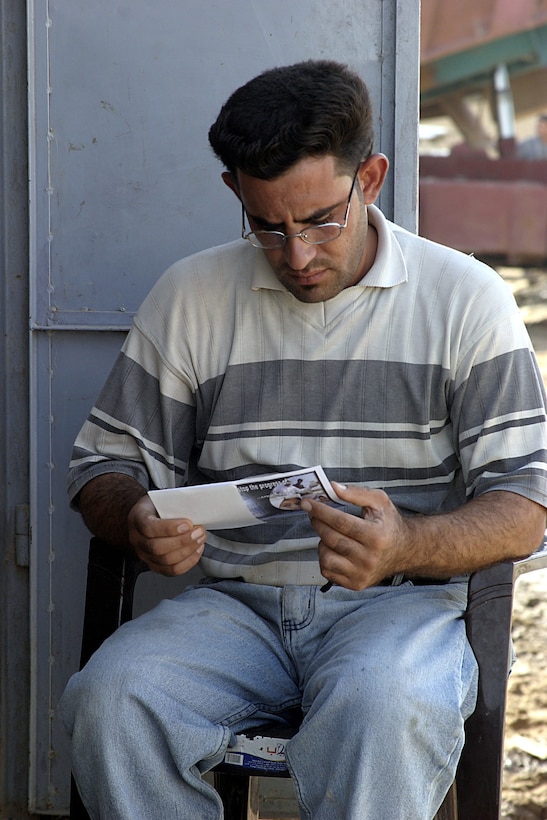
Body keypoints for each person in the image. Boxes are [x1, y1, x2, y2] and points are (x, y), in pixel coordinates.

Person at [60, 60, 547, 819]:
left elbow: (524, 503)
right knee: (110, 699)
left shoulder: (465, 299)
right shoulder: (191, 295)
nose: (296, 256)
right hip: (231, 611)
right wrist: (134, 520)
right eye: (267, 225)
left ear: (372, 178)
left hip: (397, 613)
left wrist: (405, 545)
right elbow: (102, 466)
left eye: (321, 218)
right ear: (235, 195)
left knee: (386, 705)